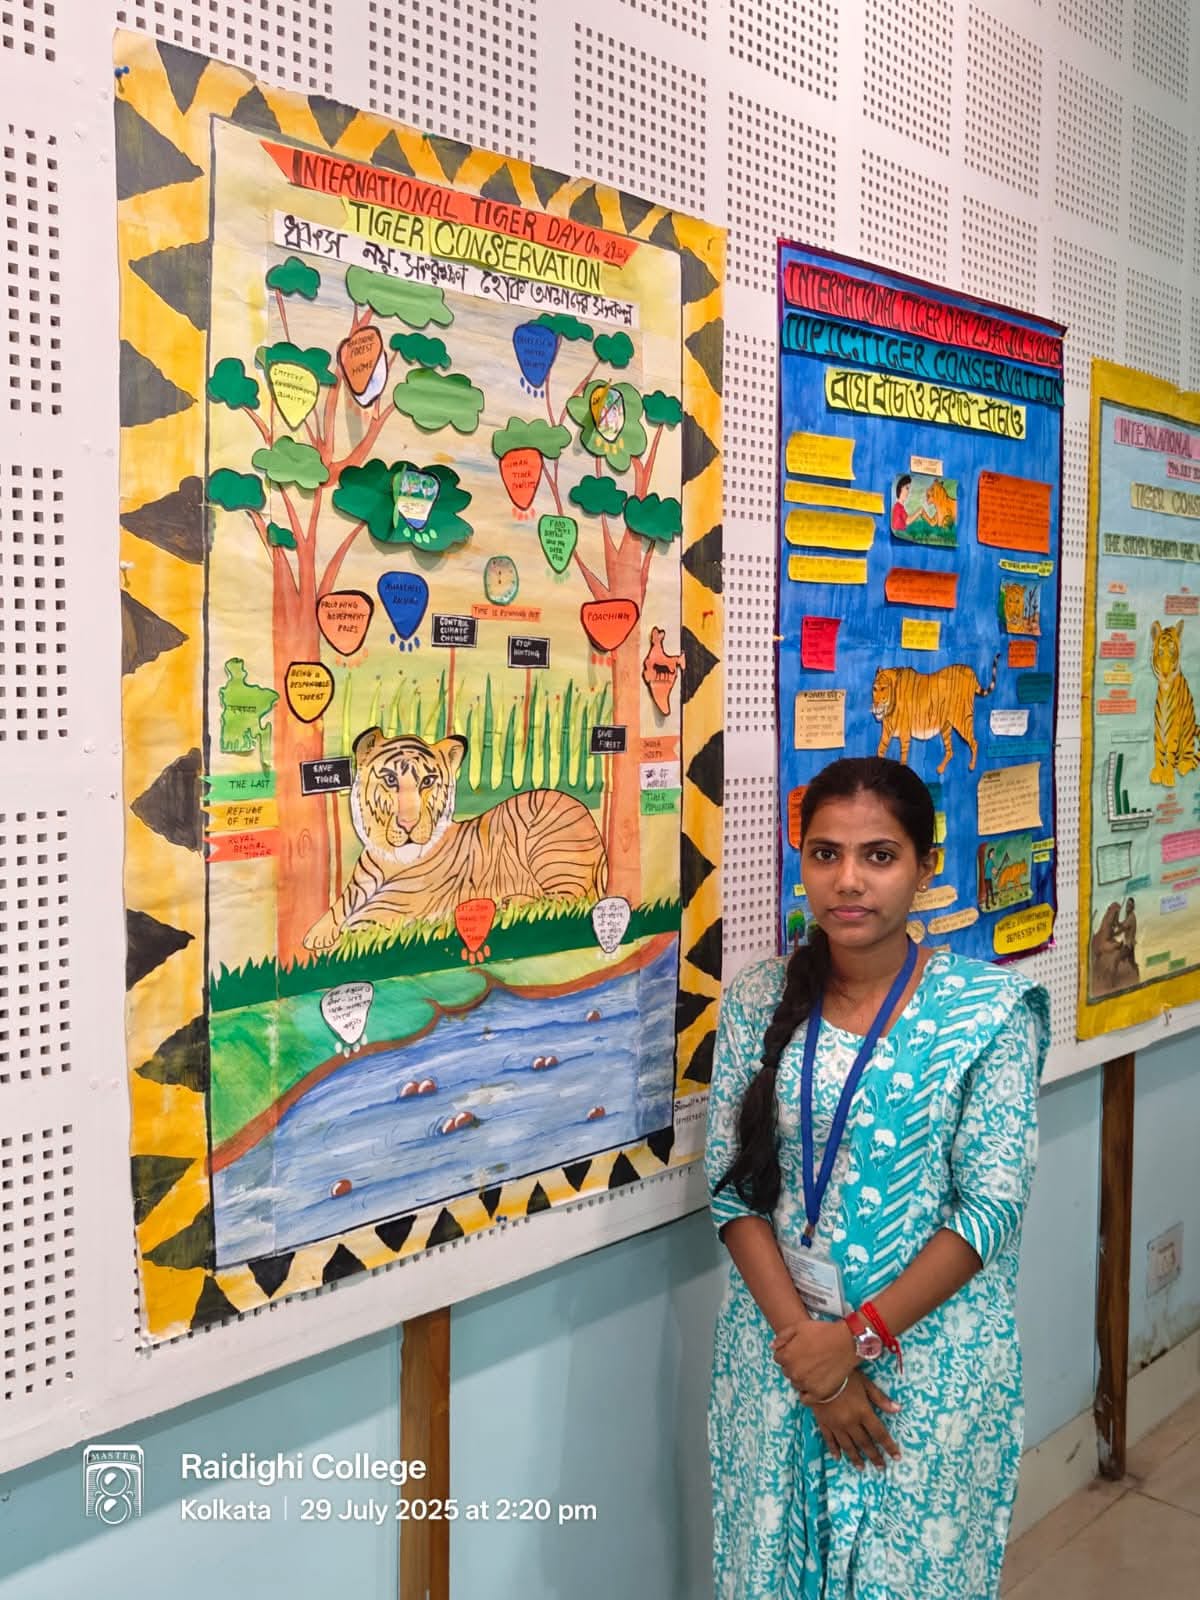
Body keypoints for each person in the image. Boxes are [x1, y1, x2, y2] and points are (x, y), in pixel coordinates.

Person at [705, 756, 1049, 1599]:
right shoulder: (756, 1000)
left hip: (926, 1369)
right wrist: (811, 1358)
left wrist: (852, 1344)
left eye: (880, 856)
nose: (848, 881)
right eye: (825, 854)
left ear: (926, 867)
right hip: (779, 1358)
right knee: (772, 1571)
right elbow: (731, 1191)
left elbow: (990, 1207)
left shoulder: (986, 1011)